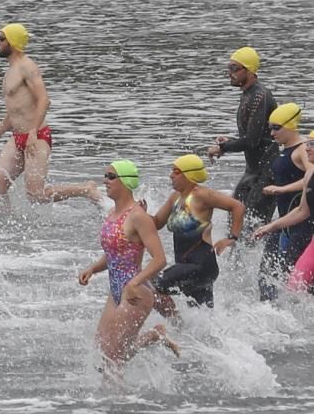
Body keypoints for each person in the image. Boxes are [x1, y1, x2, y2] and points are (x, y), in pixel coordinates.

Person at [0, 23, 100, 209]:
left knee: (36, 195)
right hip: (17, 138)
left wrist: (33, 132)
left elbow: (44, 99)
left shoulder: (27, 66)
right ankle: (4, 227)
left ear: (12, 42)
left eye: (1, 39)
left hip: (37, 137)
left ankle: (85, 189)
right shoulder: (10, 71)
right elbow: (15, 112)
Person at [78, 160, 179, 366]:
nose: (105, 181)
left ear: (125, 182)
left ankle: (117, 398)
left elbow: (160, 259)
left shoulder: (138, 217)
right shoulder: (112, 214)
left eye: (111, 177)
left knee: (113, 359)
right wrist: (93, 269)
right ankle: (154, 336)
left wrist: (133, 283)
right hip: (116, 289)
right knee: (103, 353)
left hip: (136, 293)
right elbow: (116, 254)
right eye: (105, 176)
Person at [150, 154, 245, 314]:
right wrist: (139, 213)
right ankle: (187, 334)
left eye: (176, 171)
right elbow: (157, 223)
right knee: (202, 320)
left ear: (189, 175)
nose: (171, 175)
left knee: (152, 285)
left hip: (201, 266)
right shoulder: (175, 197)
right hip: (187, 266)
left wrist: (232, 237)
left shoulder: (202, 195)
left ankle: (175, 324)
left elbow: (238, 206)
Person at [206, 47, 279, 229]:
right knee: (235, 219)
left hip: (267, 173)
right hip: (253, 171)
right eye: (229, 68)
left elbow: (252, 141)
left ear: (250, 70)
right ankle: (232, 257)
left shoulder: (259, 96)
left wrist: (223, 148)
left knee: (253, 227)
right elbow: (257, 136)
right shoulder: (248, 94)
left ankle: (264, 257)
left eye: (234, 68)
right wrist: (229, 140)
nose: (229, 73)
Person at [252, 103, 314, 301]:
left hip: (302, 223)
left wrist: (282, 189)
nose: (271, 132)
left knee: (292, 275)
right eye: (269, 127)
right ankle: (269, 315)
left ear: (290, 126)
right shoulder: (286, 149)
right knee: (268, 272)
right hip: (288, 218)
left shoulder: (302, 149)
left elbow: (310, 176)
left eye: (276, 127)